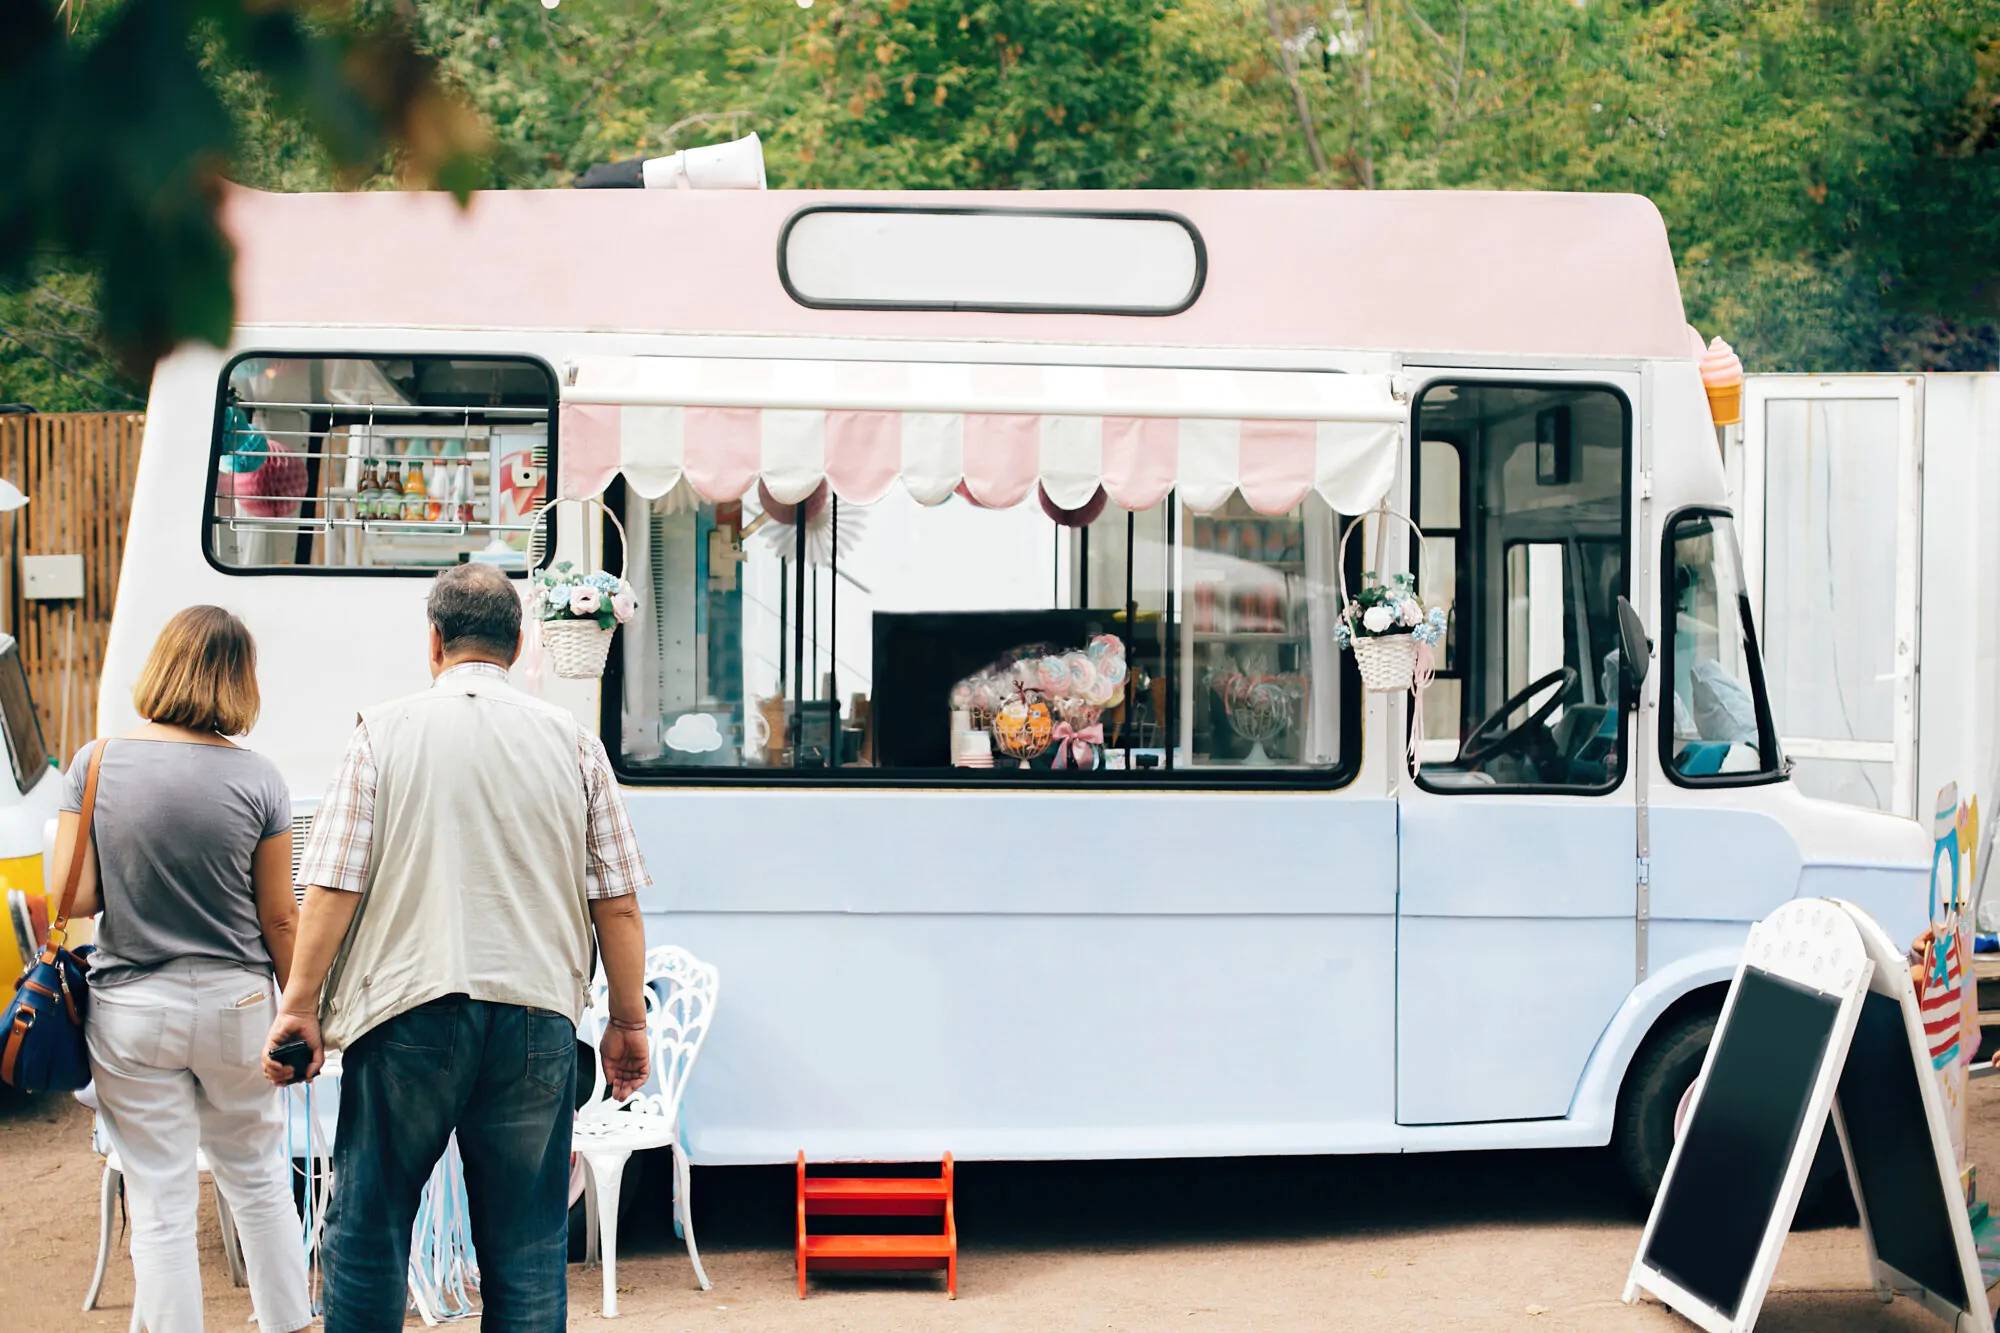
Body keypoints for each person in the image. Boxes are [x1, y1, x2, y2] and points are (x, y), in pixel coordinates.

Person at [266, 561, 653, 1333]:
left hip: (407, 1012)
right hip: (536, 1022)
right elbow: (617, 901)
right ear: (518, 645)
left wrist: (300, 1006)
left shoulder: (382, 731)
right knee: (527, 1246)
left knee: (371, 1232)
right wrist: (627, 1020)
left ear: (434, 640)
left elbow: (333, 885)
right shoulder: (574, 743)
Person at [58, 605, 312, 1333]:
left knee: (162, 1197)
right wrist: (302, 1008)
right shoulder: (260, 780)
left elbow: (73, 897)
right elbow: (279, 917)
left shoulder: (96, 762)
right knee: (259, 1178)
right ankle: (290, 1324)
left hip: (133, 1003)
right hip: (236, 1004)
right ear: (240, 681)